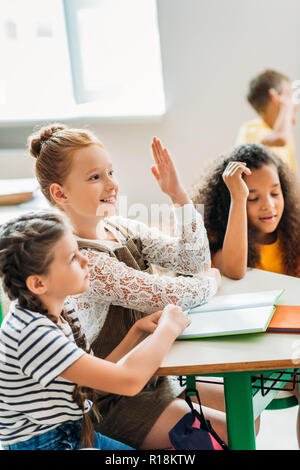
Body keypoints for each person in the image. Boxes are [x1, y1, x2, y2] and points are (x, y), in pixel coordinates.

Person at [26, 124, 226, 450]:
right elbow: (172, 294)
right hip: (110, 400)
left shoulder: (118, 228)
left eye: (110, 171)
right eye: (95, 177)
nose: (112, 184)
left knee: (247, 416)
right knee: (222, 434)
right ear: (60, 194)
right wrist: (209, 281)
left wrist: (178, 196)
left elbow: (192, 260)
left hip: (151, 375)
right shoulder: (82, 259)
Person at [0, 210, 191, 450]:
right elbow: (129, 382)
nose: (85, 260)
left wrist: (137, 331)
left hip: (73, 433)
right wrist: (169, 327)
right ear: (38, 283)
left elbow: (94, 383)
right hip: (48, 444)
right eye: (71, 258)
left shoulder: (59, 308)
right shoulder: (33, 334)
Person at [192, 142, 300, 444]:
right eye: (253, 197)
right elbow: (236, 270)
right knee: (249, 422)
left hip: (288, 347)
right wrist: (238, 200)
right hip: (245, 353)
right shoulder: (218, 238)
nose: (269, 205)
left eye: (275, 193)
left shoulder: (292, 234)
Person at [236, 69, 298, 173]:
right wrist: (286, 106)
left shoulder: (288, 136)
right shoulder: (251, 130)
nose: (295, 103)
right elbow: (280, 138)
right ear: (275, 97)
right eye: (289, 95)